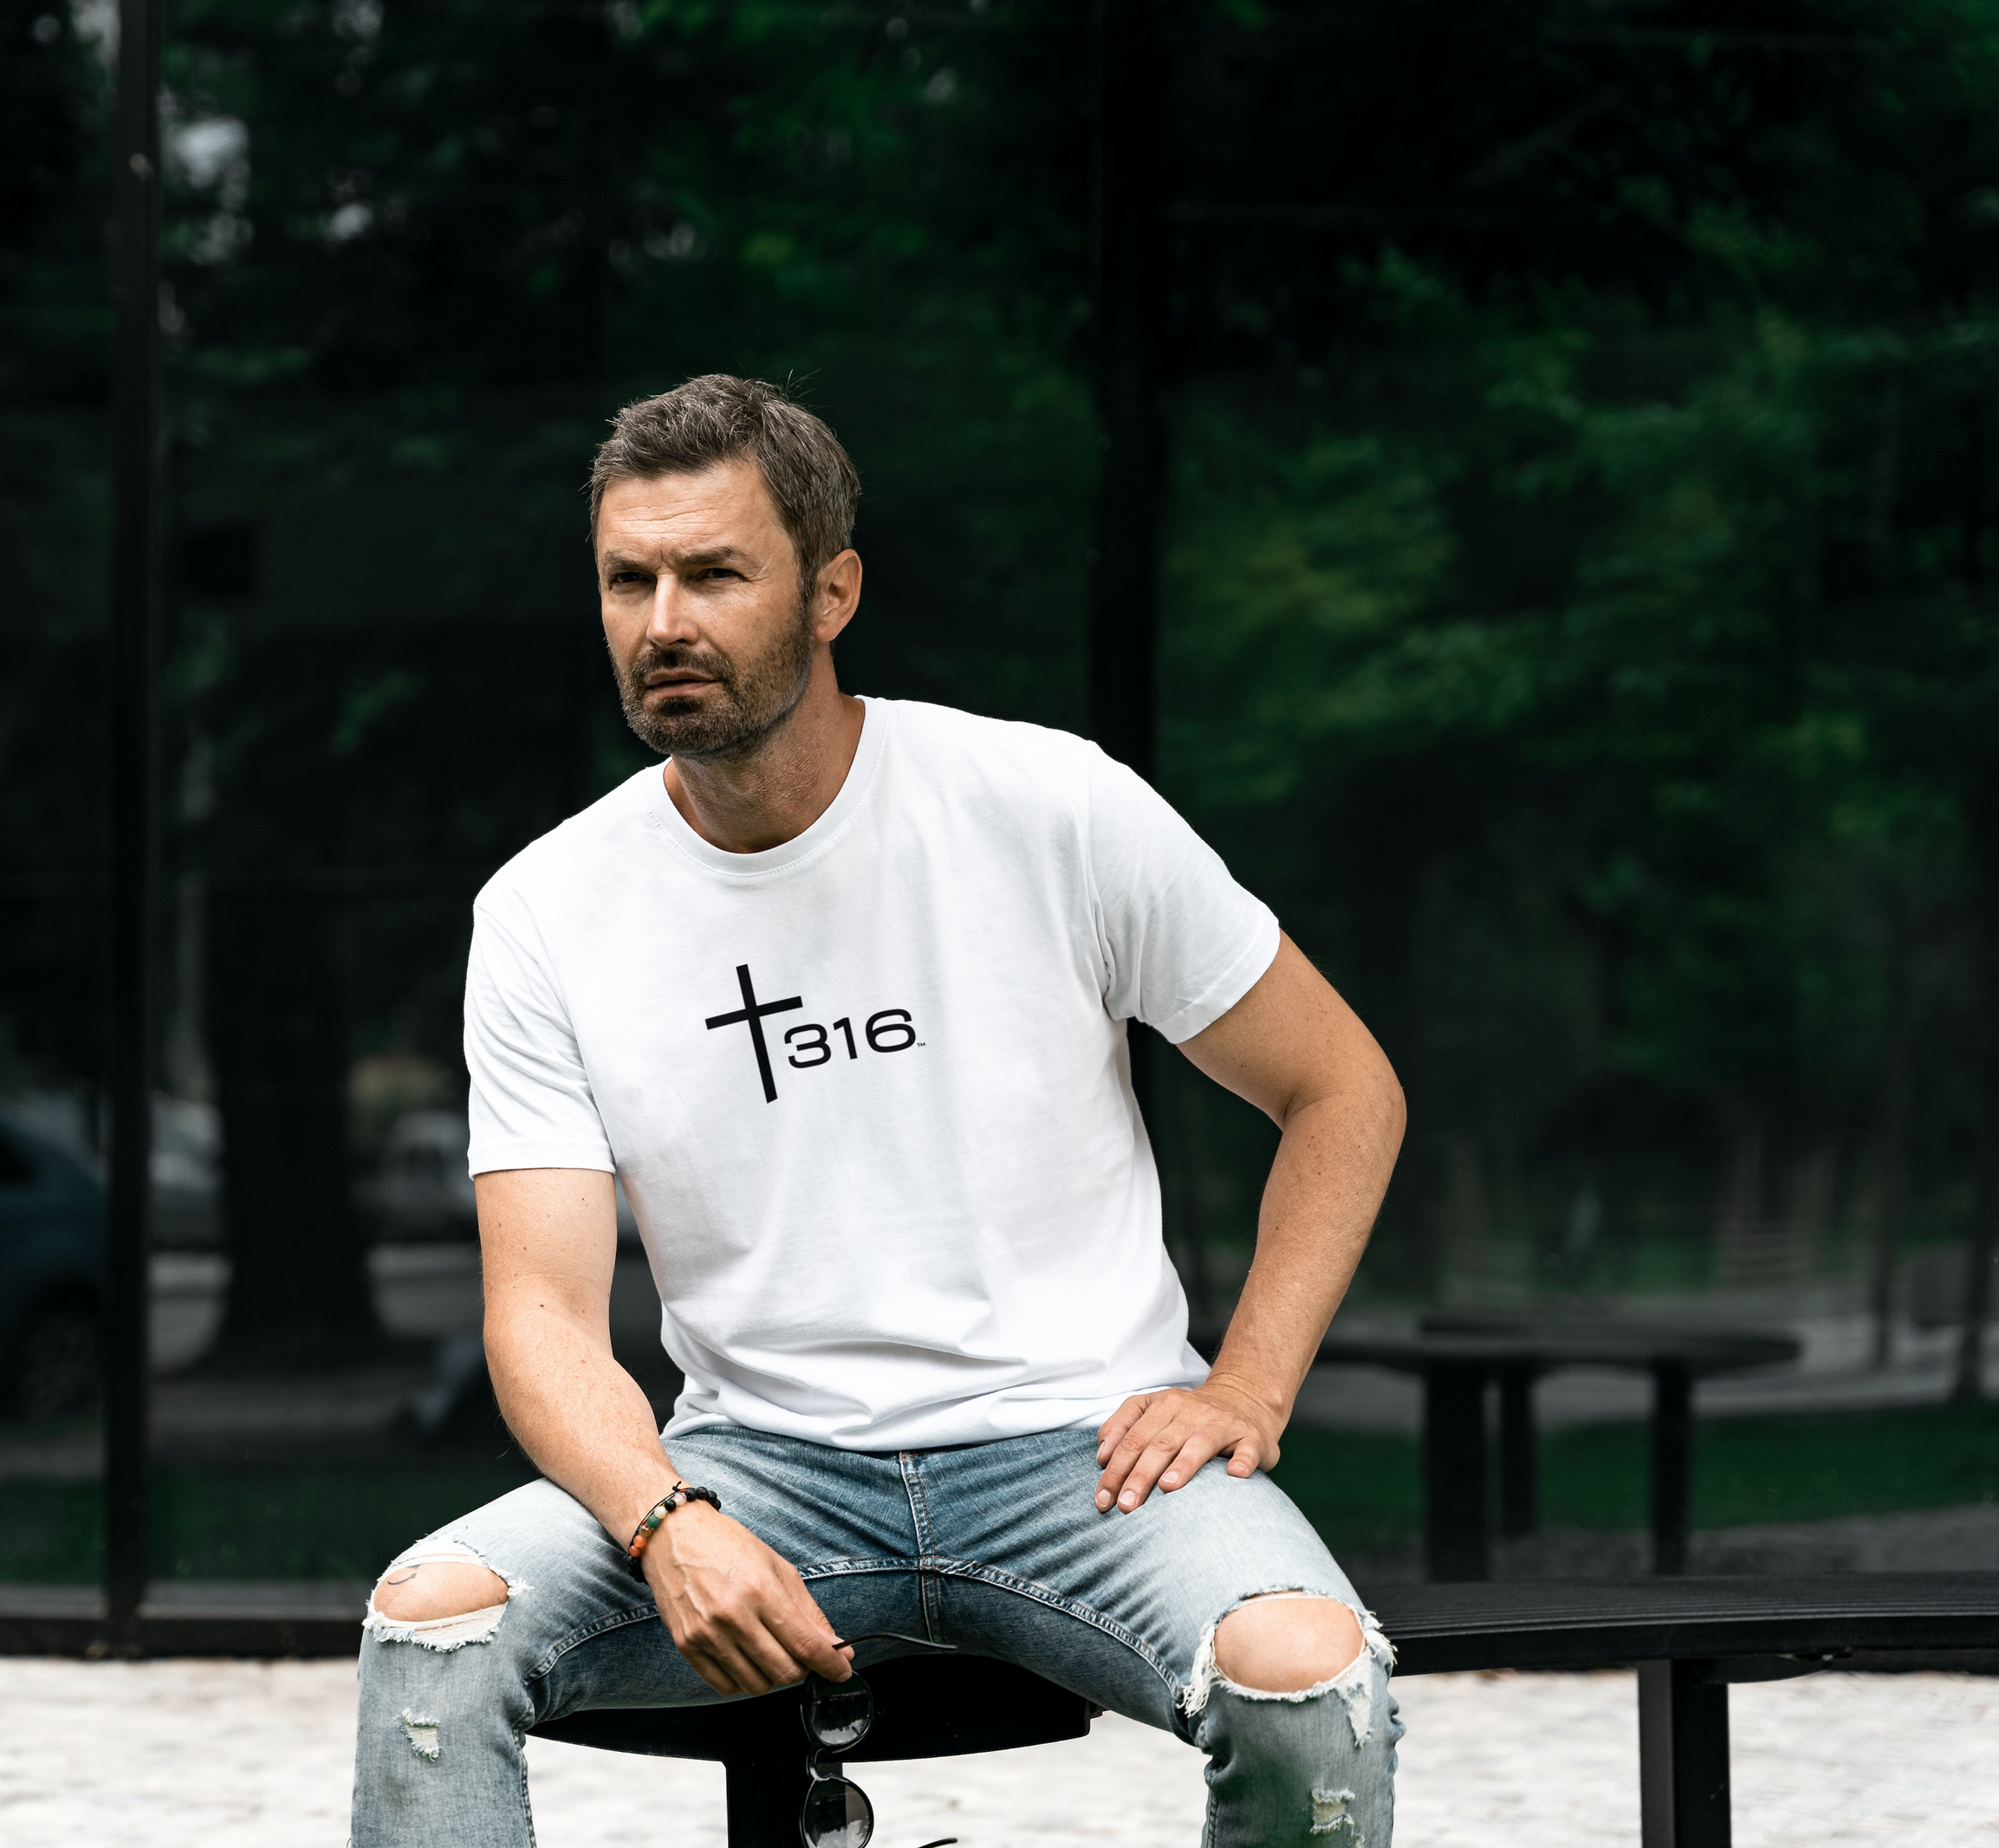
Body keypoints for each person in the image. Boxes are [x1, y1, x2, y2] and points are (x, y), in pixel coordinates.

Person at [351, 374, 1408, 1847]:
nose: (665, 622)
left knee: (1311, 1685)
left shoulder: (1050, 808)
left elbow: (1341, 1084)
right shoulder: (545, 911)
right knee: (433, 1633)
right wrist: (666, 1519)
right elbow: (537, 1319)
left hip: (1082, 1454)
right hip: (755, 1470)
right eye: (628, 579)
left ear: (831, 589)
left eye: (714, 572)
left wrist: (1249, 1387)